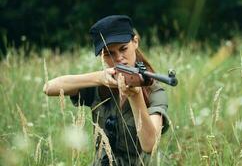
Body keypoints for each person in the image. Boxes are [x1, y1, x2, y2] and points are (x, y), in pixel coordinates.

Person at [43, 15, 169, 165]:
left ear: (135, 42)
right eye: (109, 54)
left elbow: (149, 145)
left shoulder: (154, 91)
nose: (119, 58)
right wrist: (99, 77)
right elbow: (49, 87)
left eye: (123, 49)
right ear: (102, 56)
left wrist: (136, 96)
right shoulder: (101, 84)